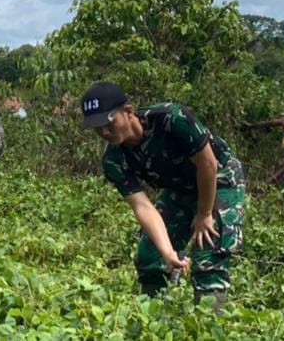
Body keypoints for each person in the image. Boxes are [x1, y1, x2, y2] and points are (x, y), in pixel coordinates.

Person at [81, 81, 246, 308]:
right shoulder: (113, 160)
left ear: (128, 112)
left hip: (220, 176)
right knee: (150, 256)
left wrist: (204, 214)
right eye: (97, 127)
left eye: (109, 122)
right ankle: (154, 319)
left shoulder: (171, 118)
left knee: (208, 256)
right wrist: (168, 253)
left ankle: (208, 326)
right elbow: (143, 207)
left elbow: (208, 164)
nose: (104, 132)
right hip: (179, 188)